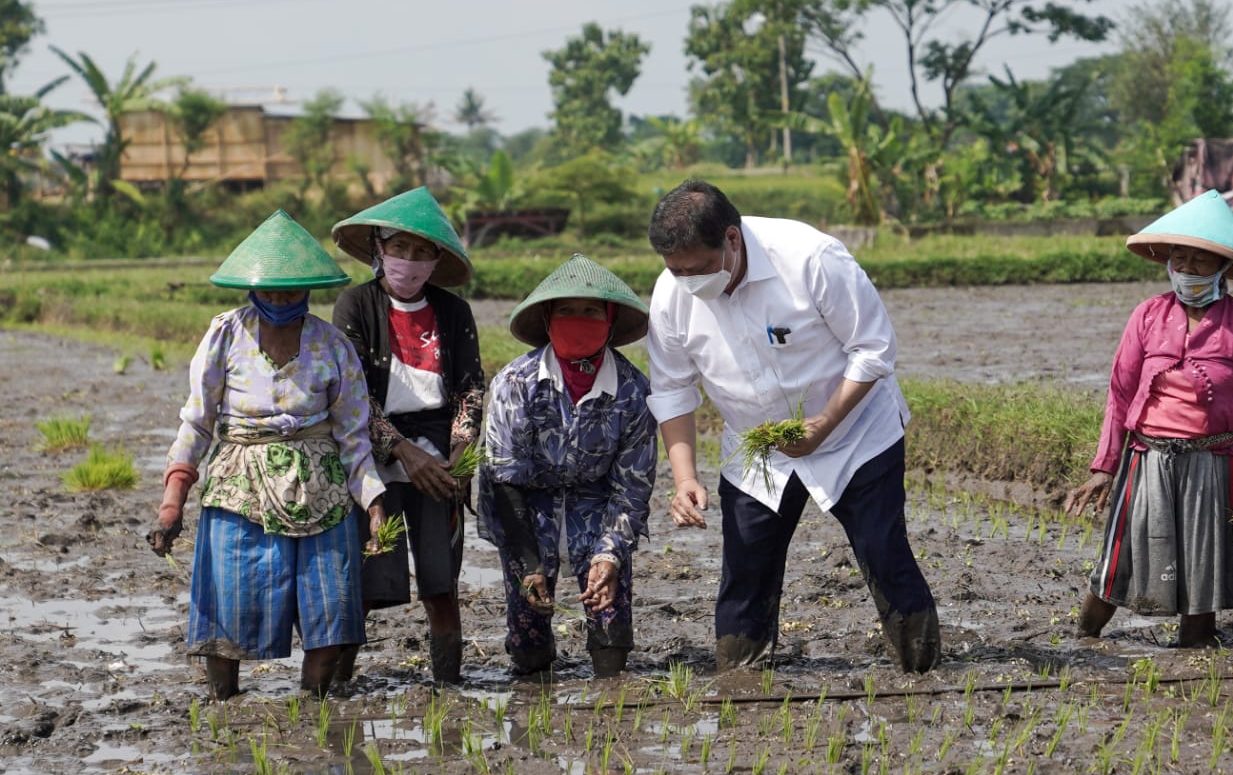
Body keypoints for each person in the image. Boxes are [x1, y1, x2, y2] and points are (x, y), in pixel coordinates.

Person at [644, 180, 940, 673]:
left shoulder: (810, 258)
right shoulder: (671, 295)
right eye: (675, 270)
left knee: (882, 550)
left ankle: (921, 667)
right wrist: (685, 478)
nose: (687, 281)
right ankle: (740, 675)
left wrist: (825, 422)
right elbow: (673, 388)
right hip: (757, 449)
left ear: (732, 240)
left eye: (697, 268)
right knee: (746, 570)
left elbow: (874, 348)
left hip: (855, 434)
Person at [148, 210, 386, 700]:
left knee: (330, 611)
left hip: (322, 491)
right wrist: (173, 501)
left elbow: (355, 436)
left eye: (291, 292)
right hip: (240, 488)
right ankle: (225, 705)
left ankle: (314, 704)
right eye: (271, 292)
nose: (280, 301)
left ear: (308, 290)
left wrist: (375, 503)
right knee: (230, 608)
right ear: (252, 290)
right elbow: (197, 421)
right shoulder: (225, 336)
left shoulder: (333, 345)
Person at [1065, 190, 1233, 647]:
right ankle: (1081, 639)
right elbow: (1120, 393)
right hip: (1148, 460)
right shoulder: (1147, 315)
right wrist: (1105, 467)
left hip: (1215, 464)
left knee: (1202, 583)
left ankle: (1195, 659)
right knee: (1114, 565)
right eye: (1179, 258)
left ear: (1222, 267)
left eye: (1200, 260)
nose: (1187, 269)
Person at [329, 188, 484, 686]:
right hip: (376, 457)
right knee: (369, 580)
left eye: (423, 253)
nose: (410, 261)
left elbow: (468, 387)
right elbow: (354, 396)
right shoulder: (355, 305)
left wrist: (459, 451)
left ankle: (449, 685)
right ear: (378, 246)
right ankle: (336, 684)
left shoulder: (453, 312)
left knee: (442, 585)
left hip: (439, 457)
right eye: (400, 247)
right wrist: (400, 449)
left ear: (437, 260)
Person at [476, 255, 656, 680]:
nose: (579, 320)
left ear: (610, 321)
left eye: (591, 311)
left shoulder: (632, 391)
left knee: (608, 610)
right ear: (547, 318)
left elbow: (632, 486)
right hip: (525, 502)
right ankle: (532, 676)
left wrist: (610, 555)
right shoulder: (515, 384)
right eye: (567, 311)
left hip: (597, 502)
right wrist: (529, 562)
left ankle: (610, 688)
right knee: (528, 627)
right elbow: (505, 477)